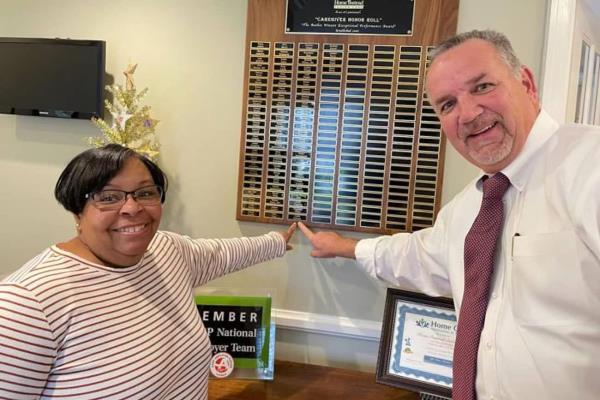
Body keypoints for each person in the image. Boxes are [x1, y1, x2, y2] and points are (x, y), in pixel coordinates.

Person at [299, 29, 600, 400]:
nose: (469, 113)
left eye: (482, 86)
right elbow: (417, 256)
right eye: (447, 104)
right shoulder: (467, 210)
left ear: (526, 82)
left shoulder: (590, 167)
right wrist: (344, 246)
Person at [0, 144, 296, 399]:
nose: (132, 208)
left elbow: (223, 253)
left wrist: (277, 242)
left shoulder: (167, 252)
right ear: (77, 210)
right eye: (108, 197)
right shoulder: (26, 304)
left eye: (145, 193)